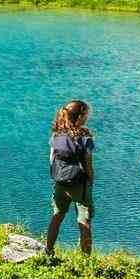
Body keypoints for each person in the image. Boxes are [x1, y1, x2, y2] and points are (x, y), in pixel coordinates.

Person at [43, 99, 94, 256]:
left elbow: (51, 159)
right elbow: (88, 163)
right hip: (80, 184)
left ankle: (48, 250)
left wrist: (58, 175)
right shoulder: (85, 137)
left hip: (60, 182)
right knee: (84, 221)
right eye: (86, 115)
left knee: (57, 216)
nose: (87, 118)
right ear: (79, 118)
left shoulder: (56, 135)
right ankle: (86, 258)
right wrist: (90, 180)